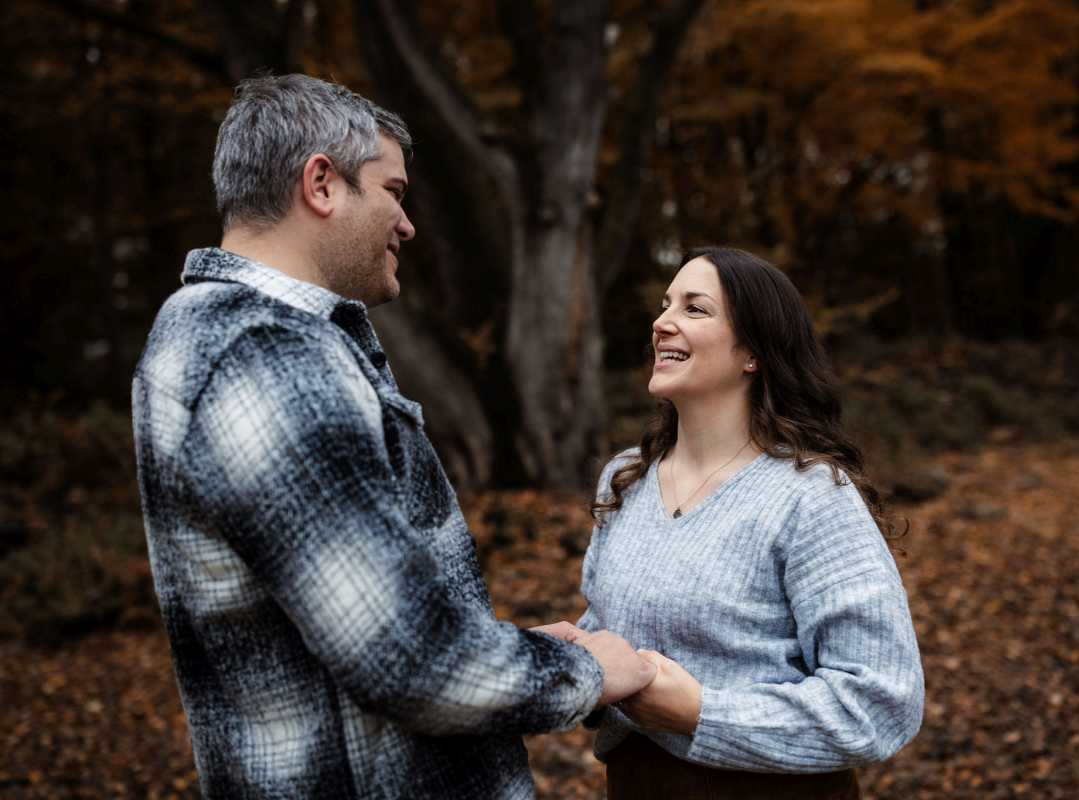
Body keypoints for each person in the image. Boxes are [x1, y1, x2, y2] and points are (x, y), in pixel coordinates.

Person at [130, 74, 655, 799]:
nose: (406, 225)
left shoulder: (203, 329)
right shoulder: (266, 350)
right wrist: (591, 673)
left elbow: (352, 618)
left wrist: (513, 651)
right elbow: (407, 656)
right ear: (321, 183)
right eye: (394, 192)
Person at [543, 247, 924, 798]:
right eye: (665, 304)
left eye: (695, 309)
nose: (661, 322)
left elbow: (881, 701)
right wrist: (581, 653)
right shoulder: (625, 478)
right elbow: (621, 622)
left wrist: (704, 713)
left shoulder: (810, 498)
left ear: (752, 352)